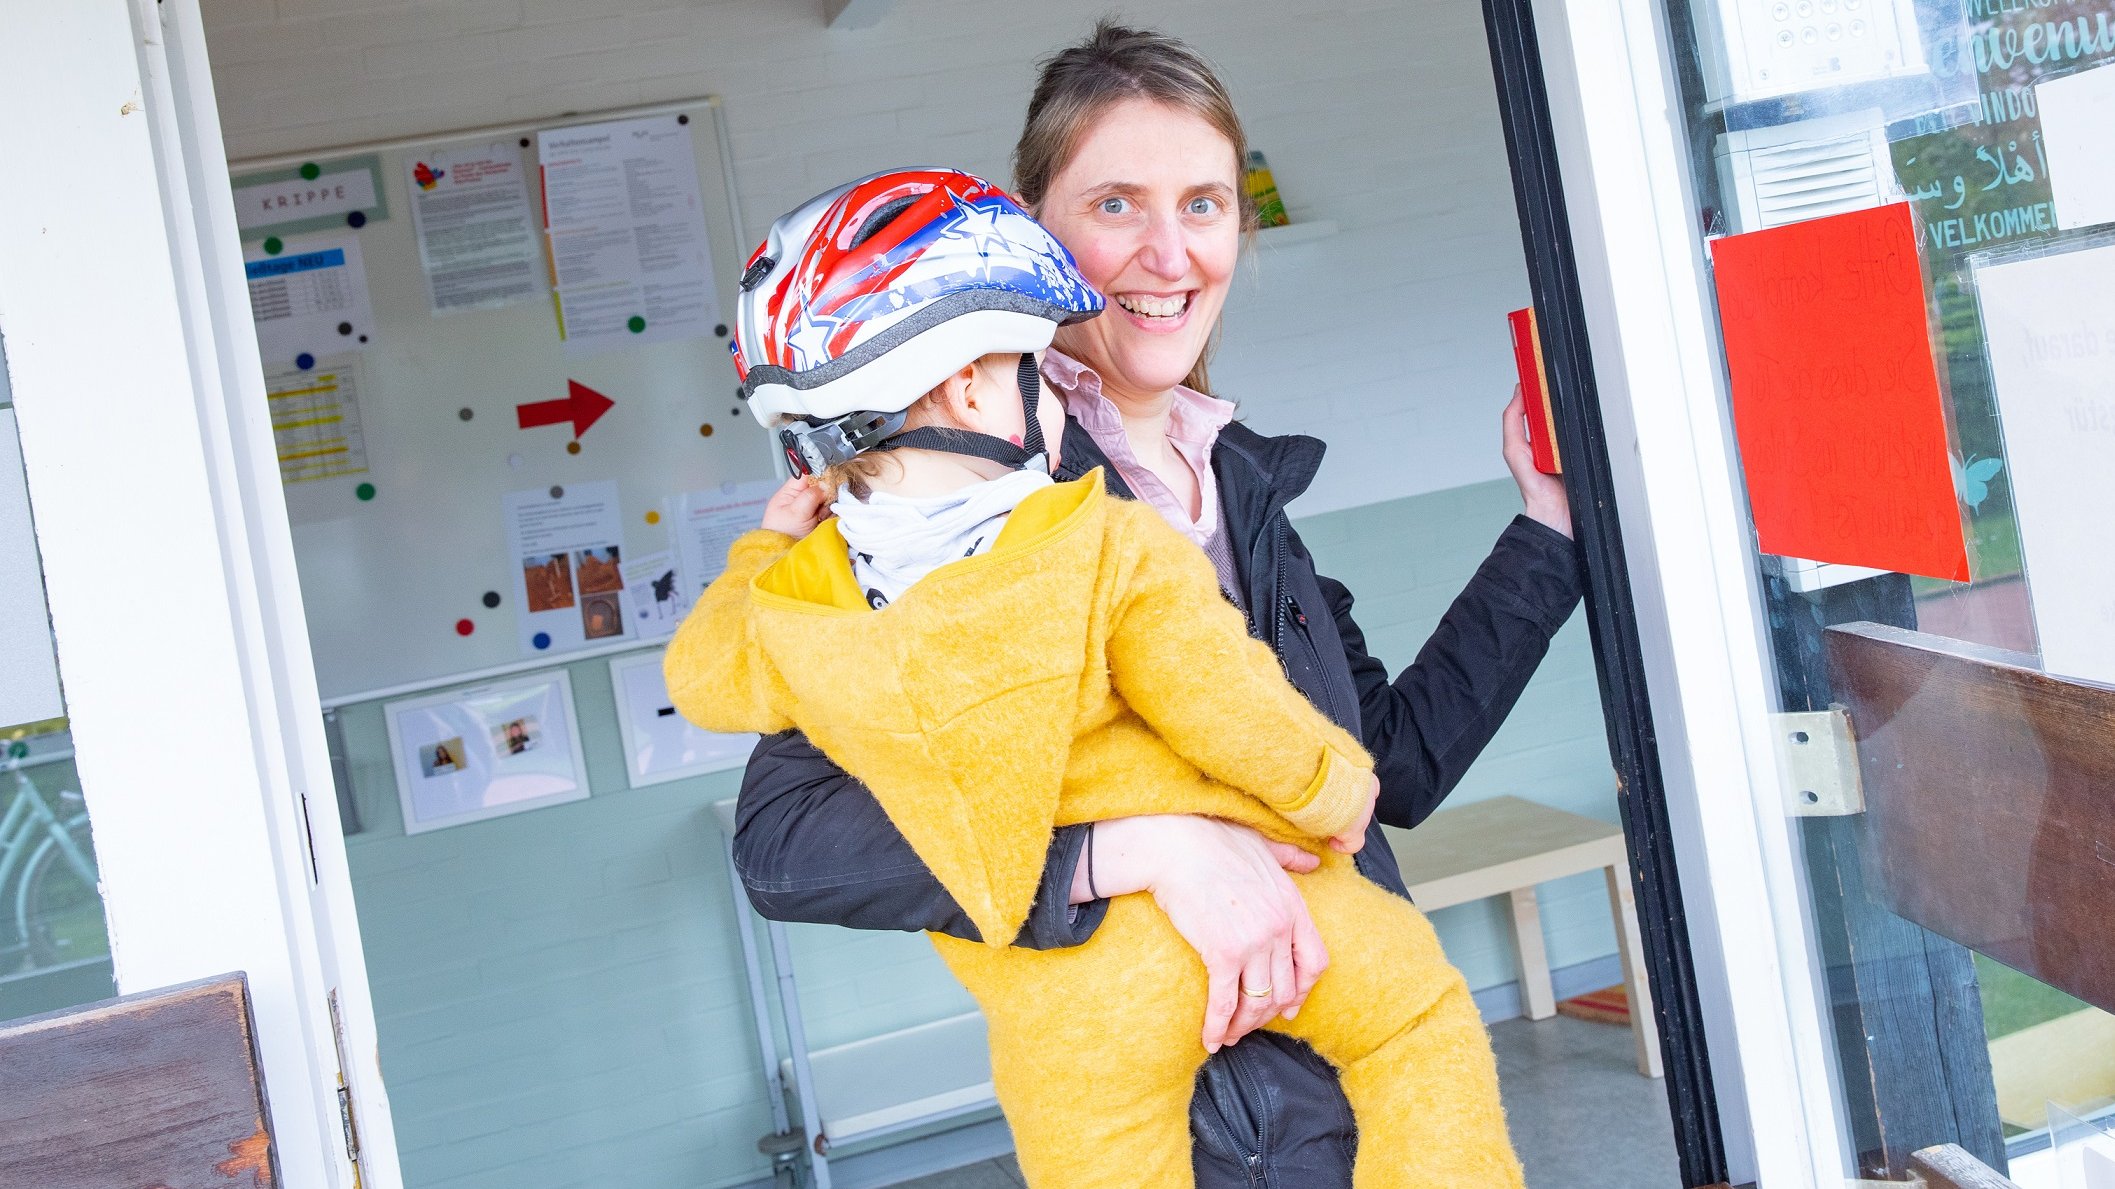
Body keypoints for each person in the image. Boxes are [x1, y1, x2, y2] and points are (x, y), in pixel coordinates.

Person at [733, 23, 1581, 1186]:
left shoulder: (1236, 484)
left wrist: (1549, 535)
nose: (1169, 253)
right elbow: (785, 846)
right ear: (1034, 233)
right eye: (1118, 204)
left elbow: (1388, 767)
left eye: (1204, 204)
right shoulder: (953, 493)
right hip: (1193, 1138)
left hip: (1366, 1109)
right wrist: (1133, 848)